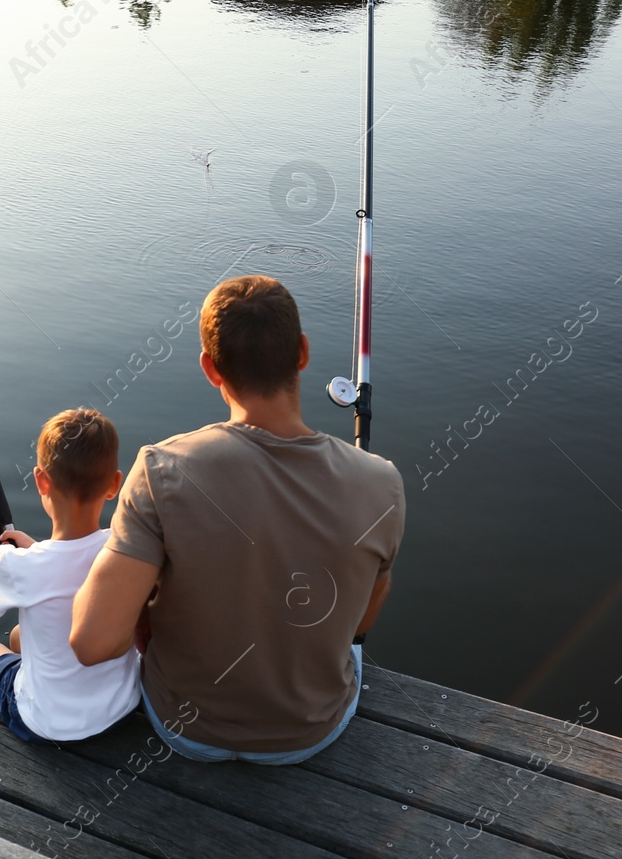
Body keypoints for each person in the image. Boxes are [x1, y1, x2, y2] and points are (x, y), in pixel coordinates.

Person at [70, 275, 406, 764]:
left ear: (210, 368)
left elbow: (92, 642)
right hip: (310, 734)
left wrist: (142, 613)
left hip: (185, 730)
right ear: (303, 353)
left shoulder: (161, 470)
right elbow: (363, 619)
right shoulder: (383, 482)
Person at [0, 408, 140, 743]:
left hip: (48, 724)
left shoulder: (18, 566)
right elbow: (71, 565)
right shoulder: (125, 546)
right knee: (18, 635)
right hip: (120, 707)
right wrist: (35, 548)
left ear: (41, 480)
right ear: (114, 484)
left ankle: (1, 746)